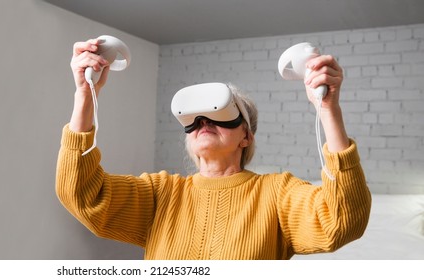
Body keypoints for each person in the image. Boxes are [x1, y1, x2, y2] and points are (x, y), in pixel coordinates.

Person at [56, 38, 372, 260]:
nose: (204, 122)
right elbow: (83, 195)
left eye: (219, 115)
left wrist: (328, 108)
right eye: (194, 120)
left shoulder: (276, 194)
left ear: (245, 136)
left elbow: (341, 220)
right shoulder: (161, 194)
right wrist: (85, 95)